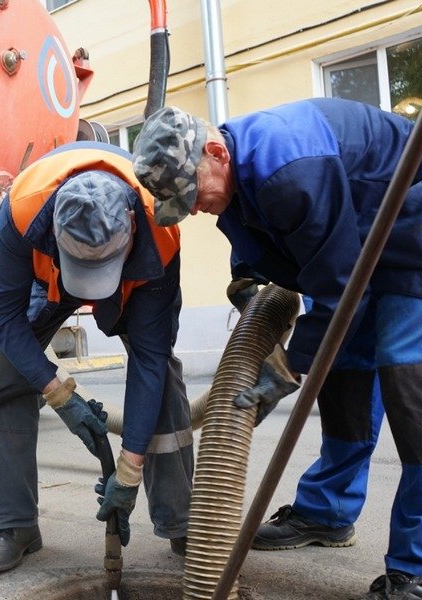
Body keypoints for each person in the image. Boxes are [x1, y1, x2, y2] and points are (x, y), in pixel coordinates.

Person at [131, 99, 422, 600]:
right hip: (359, 246)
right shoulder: (237, 172)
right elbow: (253, 232)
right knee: (345, 379)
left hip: (412, 239)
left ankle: (413, 566)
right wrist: (246, 278)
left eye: (192, 192)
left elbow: (340, 291)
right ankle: (328, 512)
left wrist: (286, 367)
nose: (195, 207)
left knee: (409, 390)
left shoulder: (291, 168)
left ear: (216, 152)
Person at [0, 140, 193, 575]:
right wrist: (58, 393)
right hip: (50, 274)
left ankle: (179, 520)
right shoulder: (22, 209)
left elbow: (148, 360)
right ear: (53, 231)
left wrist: (128, 471)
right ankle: (14, 525)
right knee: (4, 370)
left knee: (162, 377)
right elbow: (2, 314)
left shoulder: (159, 225)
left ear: (130, 224)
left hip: (136, 275)